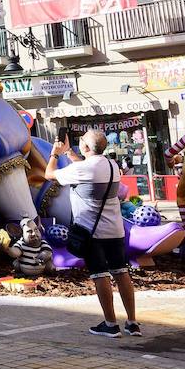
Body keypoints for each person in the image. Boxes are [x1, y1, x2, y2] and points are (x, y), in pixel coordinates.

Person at [46, 129, 139, 338]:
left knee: (100, 275)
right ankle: (132, 323)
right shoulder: (111, 165)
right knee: (121, 272)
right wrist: (69, 151)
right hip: (115, 229)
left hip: (92, 232)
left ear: (86, 147)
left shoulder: (83, 169)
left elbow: (49, 174)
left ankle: (110, 323)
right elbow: (84, 165)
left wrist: (54, 153)